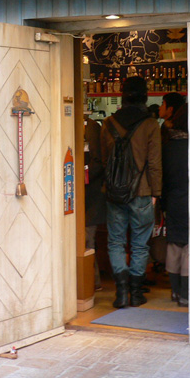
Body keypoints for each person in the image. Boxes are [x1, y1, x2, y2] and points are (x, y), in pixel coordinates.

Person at [100, 76, 161, 308]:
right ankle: (136, 293)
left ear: (122, 95)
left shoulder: (107, 124)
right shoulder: (150, 125)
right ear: (145, 96)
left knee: (115, 241)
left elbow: (106, 160)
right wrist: (156, 192)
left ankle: (121, 292)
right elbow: (155, 163)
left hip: (114, 192)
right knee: (140, 243)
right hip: (143, 192)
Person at [160, 95, 189, 306]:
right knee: (189, 246)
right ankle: (186, 295)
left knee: (173, 245)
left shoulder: (167, 146)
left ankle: (174, 292)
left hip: (172, 200)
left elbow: (162, 177)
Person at [84, 118, 105, 290]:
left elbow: (98, 163)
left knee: (87, 240)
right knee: (86, 240)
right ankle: (90, 282)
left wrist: (80, 177)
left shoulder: (90, 127)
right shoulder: (90, 126)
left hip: (89, 196)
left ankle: (91, 282)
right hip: (85, 195)